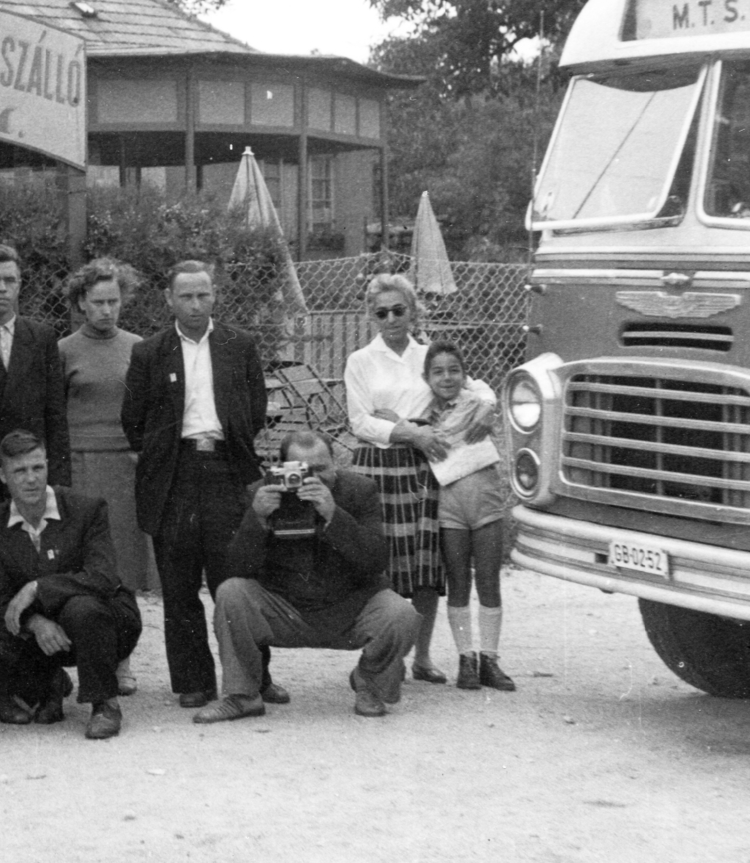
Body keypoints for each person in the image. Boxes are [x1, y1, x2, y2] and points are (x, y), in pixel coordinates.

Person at [121, 260, 284, 710]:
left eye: (203, 295)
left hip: (226, 471)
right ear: (169, 300)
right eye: (186, 296)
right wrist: (165, 455)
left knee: (237, 580)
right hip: (174, 476)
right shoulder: (149, 353)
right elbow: (132, 422)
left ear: (214, 296)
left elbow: (253, 412)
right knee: (178, 585)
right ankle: (193, 681)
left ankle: (254, 676)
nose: (196, 304)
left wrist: (228, 450)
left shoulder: (239, 345)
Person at [193, 431, 420, 723]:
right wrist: (257, 518)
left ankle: (370, 685)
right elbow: (235, 567)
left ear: (336, 463)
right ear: (281, 468)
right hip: (284, 610)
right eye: (302, 470)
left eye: (322, 469)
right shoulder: (261, 492)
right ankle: (242, 696)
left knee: (401, 613)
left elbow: (376, 561)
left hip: (350, 609)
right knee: (231, 592)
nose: (315, 478)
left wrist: (334, 515)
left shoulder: (360, 490)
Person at [344, 273, 493, 686]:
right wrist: (410, 431)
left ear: (412, 310)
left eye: (399, 309)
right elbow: (359, 421)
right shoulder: (360, 360)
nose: (391, 318)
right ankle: (384, 656)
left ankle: (423, 657)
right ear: (372, 316)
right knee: (383, 565)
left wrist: (487, 406)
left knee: (426, 567)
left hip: (424, 469)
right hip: (378, 467)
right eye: (382, 312)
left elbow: (475, 388)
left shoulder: (427, 356)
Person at [0, 431, 140, 739]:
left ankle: (105, 703)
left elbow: (103, 577)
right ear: (2, 476)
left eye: (38, 468)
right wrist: (35, 622)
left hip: (107, 622)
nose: (31, 479)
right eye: (20, 471)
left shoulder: (85, 509)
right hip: (44, 632)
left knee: (82, 608)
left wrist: (37, 588)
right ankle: (49, 685)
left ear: (48, 466)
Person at [58, 257, 150, 694]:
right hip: (81, 465)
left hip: (126, 467)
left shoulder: (140, 347)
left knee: (123, 563)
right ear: (80, 302)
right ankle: (88, 655)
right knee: (84, 563)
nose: (107, 310)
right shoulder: (63, 350)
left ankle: (122, 661)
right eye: (97, 302)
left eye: (113, 301)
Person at [422, 341, 515, 692]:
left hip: (486, 500)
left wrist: (486, 408)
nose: (447, 377)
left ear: (464, 373)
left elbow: (489, 391)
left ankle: (490, 658)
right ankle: (466, 659)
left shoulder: (477, 400)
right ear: (426, 377)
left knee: (489, 579)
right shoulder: (425, 409)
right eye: (438, 371)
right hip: (450, 505)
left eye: (454, 370)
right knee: (458, 581)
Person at [0, 242, 70, 503]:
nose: (2, 288)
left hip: (30, 466)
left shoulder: (41, 337)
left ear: (19, 285)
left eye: (10, 280)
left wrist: (59, 480)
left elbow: (55, 413)